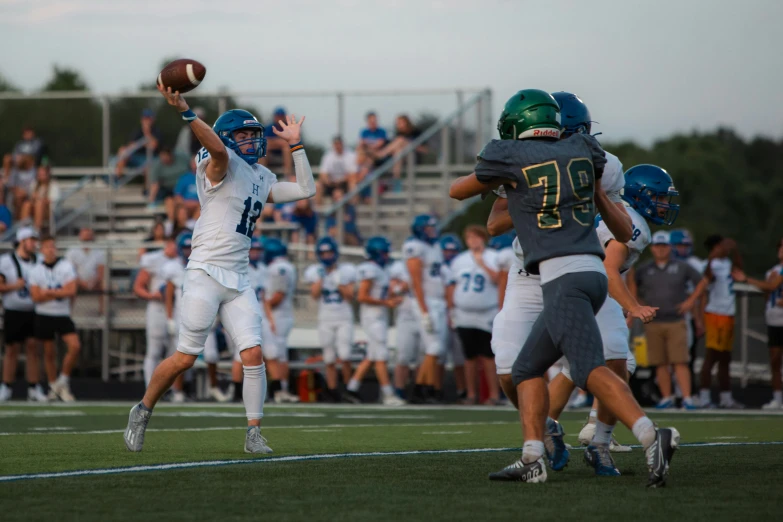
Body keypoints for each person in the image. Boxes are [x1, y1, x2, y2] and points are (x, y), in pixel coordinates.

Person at [451, 89, 678, 488]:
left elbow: (458, 191)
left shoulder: (515, 156)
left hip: (563, 272)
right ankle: (534, 454)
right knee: (522, 369)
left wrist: (495, 172)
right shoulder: (589, 157)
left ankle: (644, 434)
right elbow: (620, 228)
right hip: (576, 269)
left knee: (596, 366)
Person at [124, 83, 315, 455]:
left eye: (252, 135)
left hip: (239, 278)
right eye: (242, 135)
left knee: (253, 354)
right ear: (228, 138)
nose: (250, 141)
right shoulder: (218, 165)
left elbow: (306, 189)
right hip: (206, 273)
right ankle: (143, 408)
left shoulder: (262, 177)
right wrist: (186, 110)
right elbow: (216, 150)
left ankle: (254, 432)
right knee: (185, 357)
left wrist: (296, 144)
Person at [549, 166, 691, 475]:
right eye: (658, 198)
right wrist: (635, 307)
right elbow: (609, 270)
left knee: (580, 367)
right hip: (590, 288)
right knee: (616, 363)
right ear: (640, 194)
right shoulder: (633, 223)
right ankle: (593, 440)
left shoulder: (616, 209)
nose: (664, 205)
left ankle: (555, 432)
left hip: (573, 285)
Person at [629, 230, 707, 410]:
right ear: (653, 248)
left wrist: (689, 301)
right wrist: (639, 306)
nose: (661, 250)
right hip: (654, 322)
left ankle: (686, 397)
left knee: (680, 360)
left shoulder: (681, 266)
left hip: (676, 320)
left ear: (669, 248)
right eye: (657, 246)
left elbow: (702, 282)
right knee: (659, 362)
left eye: (664, 246)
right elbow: (632, 285)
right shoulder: (645, 269)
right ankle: (667, 397)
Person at [343, 236, 405, 406]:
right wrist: (387, 302)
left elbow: (381, 293)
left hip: (379, 316)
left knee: (372, 355)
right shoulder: (369, 269)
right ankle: (388, 394)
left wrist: (393, 296)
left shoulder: (380, 269)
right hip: (373, 317)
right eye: (384, 252)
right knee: (381, 357)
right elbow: (362, 296)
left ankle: (351, 389)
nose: (387, 255)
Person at [450, 226, 501, 405]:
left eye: (476, 237)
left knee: (488, 356)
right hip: (464, 313)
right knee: (469, 357)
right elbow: (451, 286)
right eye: (469, 238)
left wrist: (482, 265)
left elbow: (498, 280)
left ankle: (494, 395)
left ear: (483, 238)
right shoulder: (459, 260)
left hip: (487, 312)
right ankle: (471, 394)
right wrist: (451, 310)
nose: (473, 241)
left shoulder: (494, 257)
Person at [303, 237, 357, 402]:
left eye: (329, 252)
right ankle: (332, 390)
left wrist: (338, 282)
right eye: (324, 253)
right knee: (329, 357)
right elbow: (314, 295)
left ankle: (348, 389)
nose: (327, 256)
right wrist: (321, 279)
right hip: (325, 318)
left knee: (345, 355)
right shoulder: (316, 272)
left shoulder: (346, 270)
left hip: (344, 318)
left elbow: (350, 296)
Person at [731, 238, 783, 409]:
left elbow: (772, 286)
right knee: (775, 360)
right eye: (780, 245)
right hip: (775, 319)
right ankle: (777, 398)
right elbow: (768, 293)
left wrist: (747, 279)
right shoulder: (772, 271)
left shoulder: (776, 275)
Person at [28, 235, 81, 402]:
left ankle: (62, 381)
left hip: (62, 313)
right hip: (44, 315)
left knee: (75, 346)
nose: (51, 250)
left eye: (53, 246)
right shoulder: (36, 270)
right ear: (41, 250)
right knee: (49, 353)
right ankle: (53, 387)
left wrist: (49, 292)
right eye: (47, 247)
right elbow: (35, 296)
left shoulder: (65, 266)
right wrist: (58, 293)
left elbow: (71, 290)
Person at [404, 214, 449, 403]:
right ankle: (419, 388)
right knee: (434, 347)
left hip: (437, 301)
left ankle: (425, 388)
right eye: (428, 228)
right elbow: (416, 282)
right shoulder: (415, 247)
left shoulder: (435, 246)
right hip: (425, 301)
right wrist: (423, 310)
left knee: (436, 349)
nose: (432, 230)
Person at [0, 227, 47, 402]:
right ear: (22, 241)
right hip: (13, 310)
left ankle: (33, 387)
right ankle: (6, 386)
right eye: (31, 240)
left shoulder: (39, 261)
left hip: (34, 310)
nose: (35, 244)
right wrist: (14, 286)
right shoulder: (6, 261)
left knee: (33, 349)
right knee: (11, 350)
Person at [698, 235, 744, 408]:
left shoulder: (727, 263)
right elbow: (708, 278)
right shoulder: (710, 264)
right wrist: (712, 257)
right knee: (711, 356)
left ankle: (726, 397)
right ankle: (704, 397)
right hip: (715, 314)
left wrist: (736, 250)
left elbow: (740, 270)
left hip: (728, 313)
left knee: (725, 357)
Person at [134, 234, 175, 391]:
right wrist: (153, 295)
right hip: (158, 308)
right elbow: (138, 286)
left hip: (179, 310)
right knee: (155, 351)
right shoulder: (153, 259)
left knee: (176, 352)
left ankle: (173, 390)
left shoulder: (186, 260)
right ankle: (150, 389)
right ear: (168, 243)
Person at [264, 238, 299, 404]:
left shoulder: (279, 268)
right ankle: (279, 388)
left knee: (278, 354)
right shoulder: (285, 266)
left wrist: (260, 303)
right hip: (282, 314)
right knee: (278, 353)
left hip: (278, 315)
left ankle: (281, 389)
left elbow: (278, 295)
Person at [438, 234, 467, 403]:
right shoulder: (435, 266)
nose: (449, 254)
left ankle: (462, 390)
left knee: (459, 357)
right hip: (439, 312)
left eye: (453, 251)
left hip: (457, 311)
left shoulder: (460, 266)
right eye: (446, 251)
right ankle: (436, 389)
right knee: (438, 354)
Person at [148, 145, 191, 220]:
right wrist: (151, 200)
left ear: (171, 155)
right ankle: (172, 221)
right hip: (167, 189)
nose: (163, 159)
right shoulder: (157, 165)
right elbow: (155, 184)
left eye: (165, 156)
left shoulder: (183, 159)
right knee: (169, 201)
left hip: (183, 187)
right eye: (162, 156)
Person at [317, 136, 357, 205]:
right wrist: (328, 181)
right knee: (317, 186)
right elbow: (323, 174)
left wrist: (340, 181)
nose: (338, 146)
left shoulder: (351, 155)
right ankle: (319, 211)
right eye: (336, 144)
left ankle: (352, 209)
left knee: (353, 185)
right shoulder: (328, 156)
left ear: (342, 144)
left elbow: (353, 175)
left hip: (345, 184)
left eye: (339, 144)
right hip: (331, 183)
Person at [20, 163, 61, 231]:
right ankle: (23, 229)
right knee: (27, 204)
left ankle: (37, 230)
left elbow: (54, 201)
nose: (40, 176)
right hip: (34, 208)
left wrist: (39, 198)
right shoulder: (34, 184)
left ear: (47, 174)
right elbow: (31, 199)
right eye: (39, 174)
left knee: (39, 204)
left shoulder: (54, 185)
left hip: (49, 212)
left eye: (42, 174)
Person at [260, 107, 293, 176]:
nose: (279, 118)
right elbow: (265, 141)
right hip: (270, 155)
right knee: (264, 147)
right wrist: (280, 142)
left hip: (286, 154)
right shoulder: (270, 127)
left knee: (286, 147)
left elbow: (293, 142)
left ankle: (287, 175)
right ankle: (261, 174)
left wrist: (279, 142)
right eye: (278, 116)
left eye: (281, 116)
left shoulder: (289, 127)